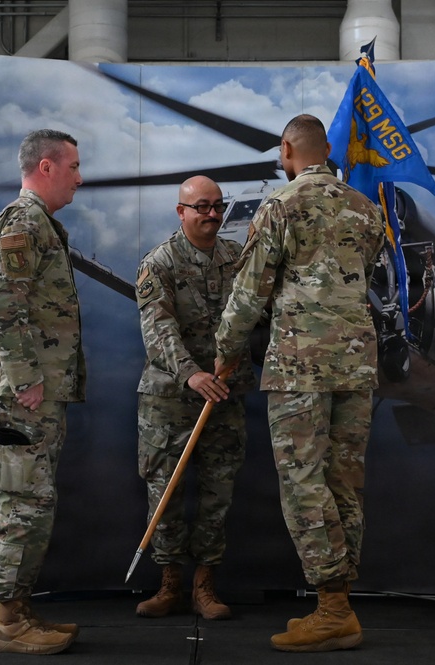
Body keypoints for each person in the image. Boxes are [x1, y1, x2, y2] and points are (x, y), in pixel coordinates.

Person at [213, 114, 385, 652]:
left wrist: (224, 351)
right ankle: (339, 603)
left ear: (288, 149)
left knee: (304, 482)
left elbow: (250, 292)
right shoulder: (367, 209)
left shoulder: (280, 207)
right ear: (328, 150)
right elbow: (367, 270)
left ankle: (332, 609)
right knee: (343, 480)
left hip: (300, 365)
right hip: (356, 363)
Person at [0, 129, 86, 655]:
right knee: (23, 503)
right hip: (23, 395)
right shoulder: (23, 223)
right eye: (73, 167)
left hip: (35, 391)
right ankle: (7, 624)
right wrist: (26, 381)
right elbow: (1, 304)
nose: (79, 179)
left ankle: (18, 609)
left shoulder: (41, 224)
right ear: (46, 167)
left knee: (34, 501)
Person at [133, 175, 256, 620]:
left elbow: (255, 320)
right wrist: (191, 373)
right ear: (181, 212)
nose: (212, 214)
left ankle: (205, 586)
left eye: (218, 206)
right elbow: (158, 330)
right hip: (169, 400)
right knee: (164, 493)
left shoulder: (237, 260)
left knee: (217, 492)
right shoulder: (159, 263)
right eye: (201, 206)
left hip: (224, 397)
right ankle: (169, 584)